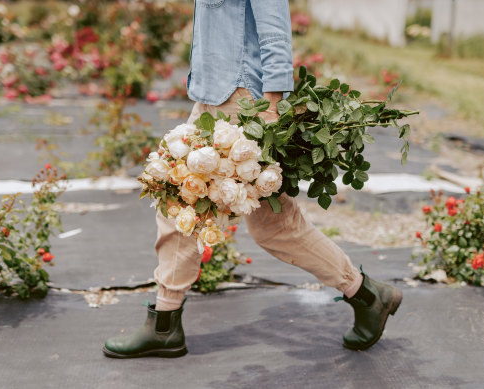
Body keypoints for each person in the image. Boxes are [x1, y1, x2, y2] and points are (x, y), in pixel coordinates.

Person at [102, 0, 402, 358]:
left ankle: (366, 293)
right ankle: (165, 321)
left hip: (244, 102)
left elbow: (274, 24)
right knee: (180, 202)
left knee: (269, 226)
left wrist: (272, 109)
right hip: (215, 98)